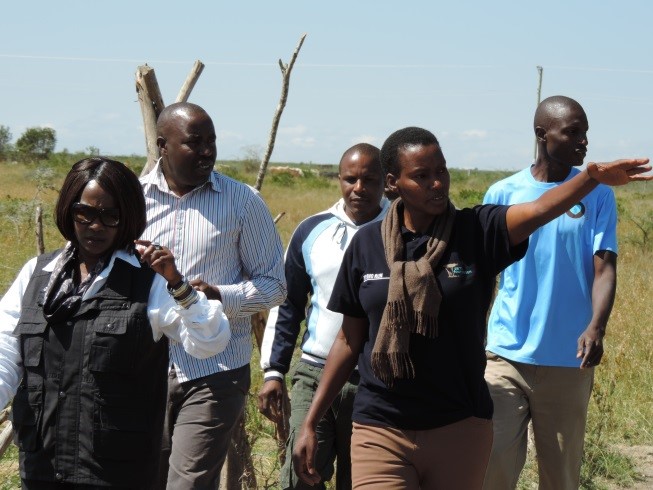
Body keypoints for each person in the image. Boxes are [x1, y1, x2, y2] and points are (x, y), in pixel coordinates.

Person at [291, 126, 651, 490]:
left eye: (441, 171)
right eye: (422, 176)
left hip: (459, 427)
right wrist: (310, 420)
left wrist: (590, 178)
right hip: (381, 426)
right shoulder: (366, 245)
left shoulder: (477, 232)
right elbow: (350, 341)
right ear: (392, 182)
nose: (437, 183)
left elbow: (541, 209)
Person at [0, 157, 230, 488]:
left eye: (111, 216)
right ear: (69, 210)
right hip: (43, 466)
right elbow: (6, 354)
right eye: (86, 214)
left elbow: (209, 341)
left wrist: (178, 285)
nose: (96, 226)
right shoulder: (37, 275)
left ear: (127, 218)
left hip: (117, 472)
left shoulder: (147, 280)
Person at [140, 102, 286, 488]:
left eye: (212, 141)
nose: (207, 151)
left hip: (215, 373)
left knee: (188, 483)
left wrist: (219, 295)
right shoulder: (134, 201)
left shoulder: (242, 202)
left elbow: (275, 286)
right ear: (162, 145)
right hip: (143, 368)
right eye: (194, 142)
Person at [482, 95, 618, 490]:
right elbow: (484, 275)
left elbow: (604, 266)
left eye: (585, 133)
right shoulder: (502, 193)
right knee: (492, 470)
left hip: (568, 359)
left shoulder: (597, 194)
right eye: (573, 132)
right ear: (542, 134)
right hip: (505, 354)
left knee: (560, 477)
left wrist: (596, 325)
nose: (584, 142)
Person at [258, 143, 389, 489]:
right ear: (339, 179)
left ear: (386, 181)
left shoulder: (403, 230)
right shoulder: (312, 231)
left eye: (369, 179)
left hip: (376, 379)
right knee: (301, 475)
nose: (358, 188)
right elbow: (288, 304)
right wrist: (274, 371)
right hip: (314, 374)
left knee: (363, 480)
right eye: (350, 179)